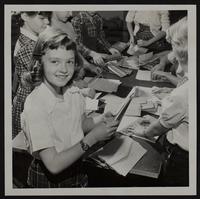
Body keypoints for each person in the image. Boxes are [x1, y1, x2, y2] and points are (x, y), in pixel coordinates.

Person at [21, 29, 119, 188]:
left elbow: (78, 124)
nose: (64, 69)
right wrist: (93, 137)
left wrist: (99, 120)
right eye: (55, 61)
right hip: (49, 180)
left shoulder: (73, 91)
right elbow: (53, 164)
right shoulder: (36, 103)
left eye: (69, 61)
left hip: (77, 167)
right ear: (40, 63)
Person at [133, 17, 189, 186]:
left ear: (181, 50)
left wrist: (143, 132)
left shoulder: (183, 93)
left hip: (182, 158)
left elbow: (158, 128)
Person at [12, 11, 50, 138]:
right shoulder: (29, 46)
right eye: (42, 18)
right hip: (30, 105)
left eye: (47, 18)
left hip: (31, 99)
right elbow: (46, 79)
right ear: (25, 16)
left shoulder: (33, 41)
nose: (47, 22)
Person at [50, 11, 101, 80]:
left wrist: (88, 65)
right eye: (67, 10)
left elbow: (75, 48)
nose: (70, 14)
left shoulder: (69, 25)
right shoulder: (47, 28)